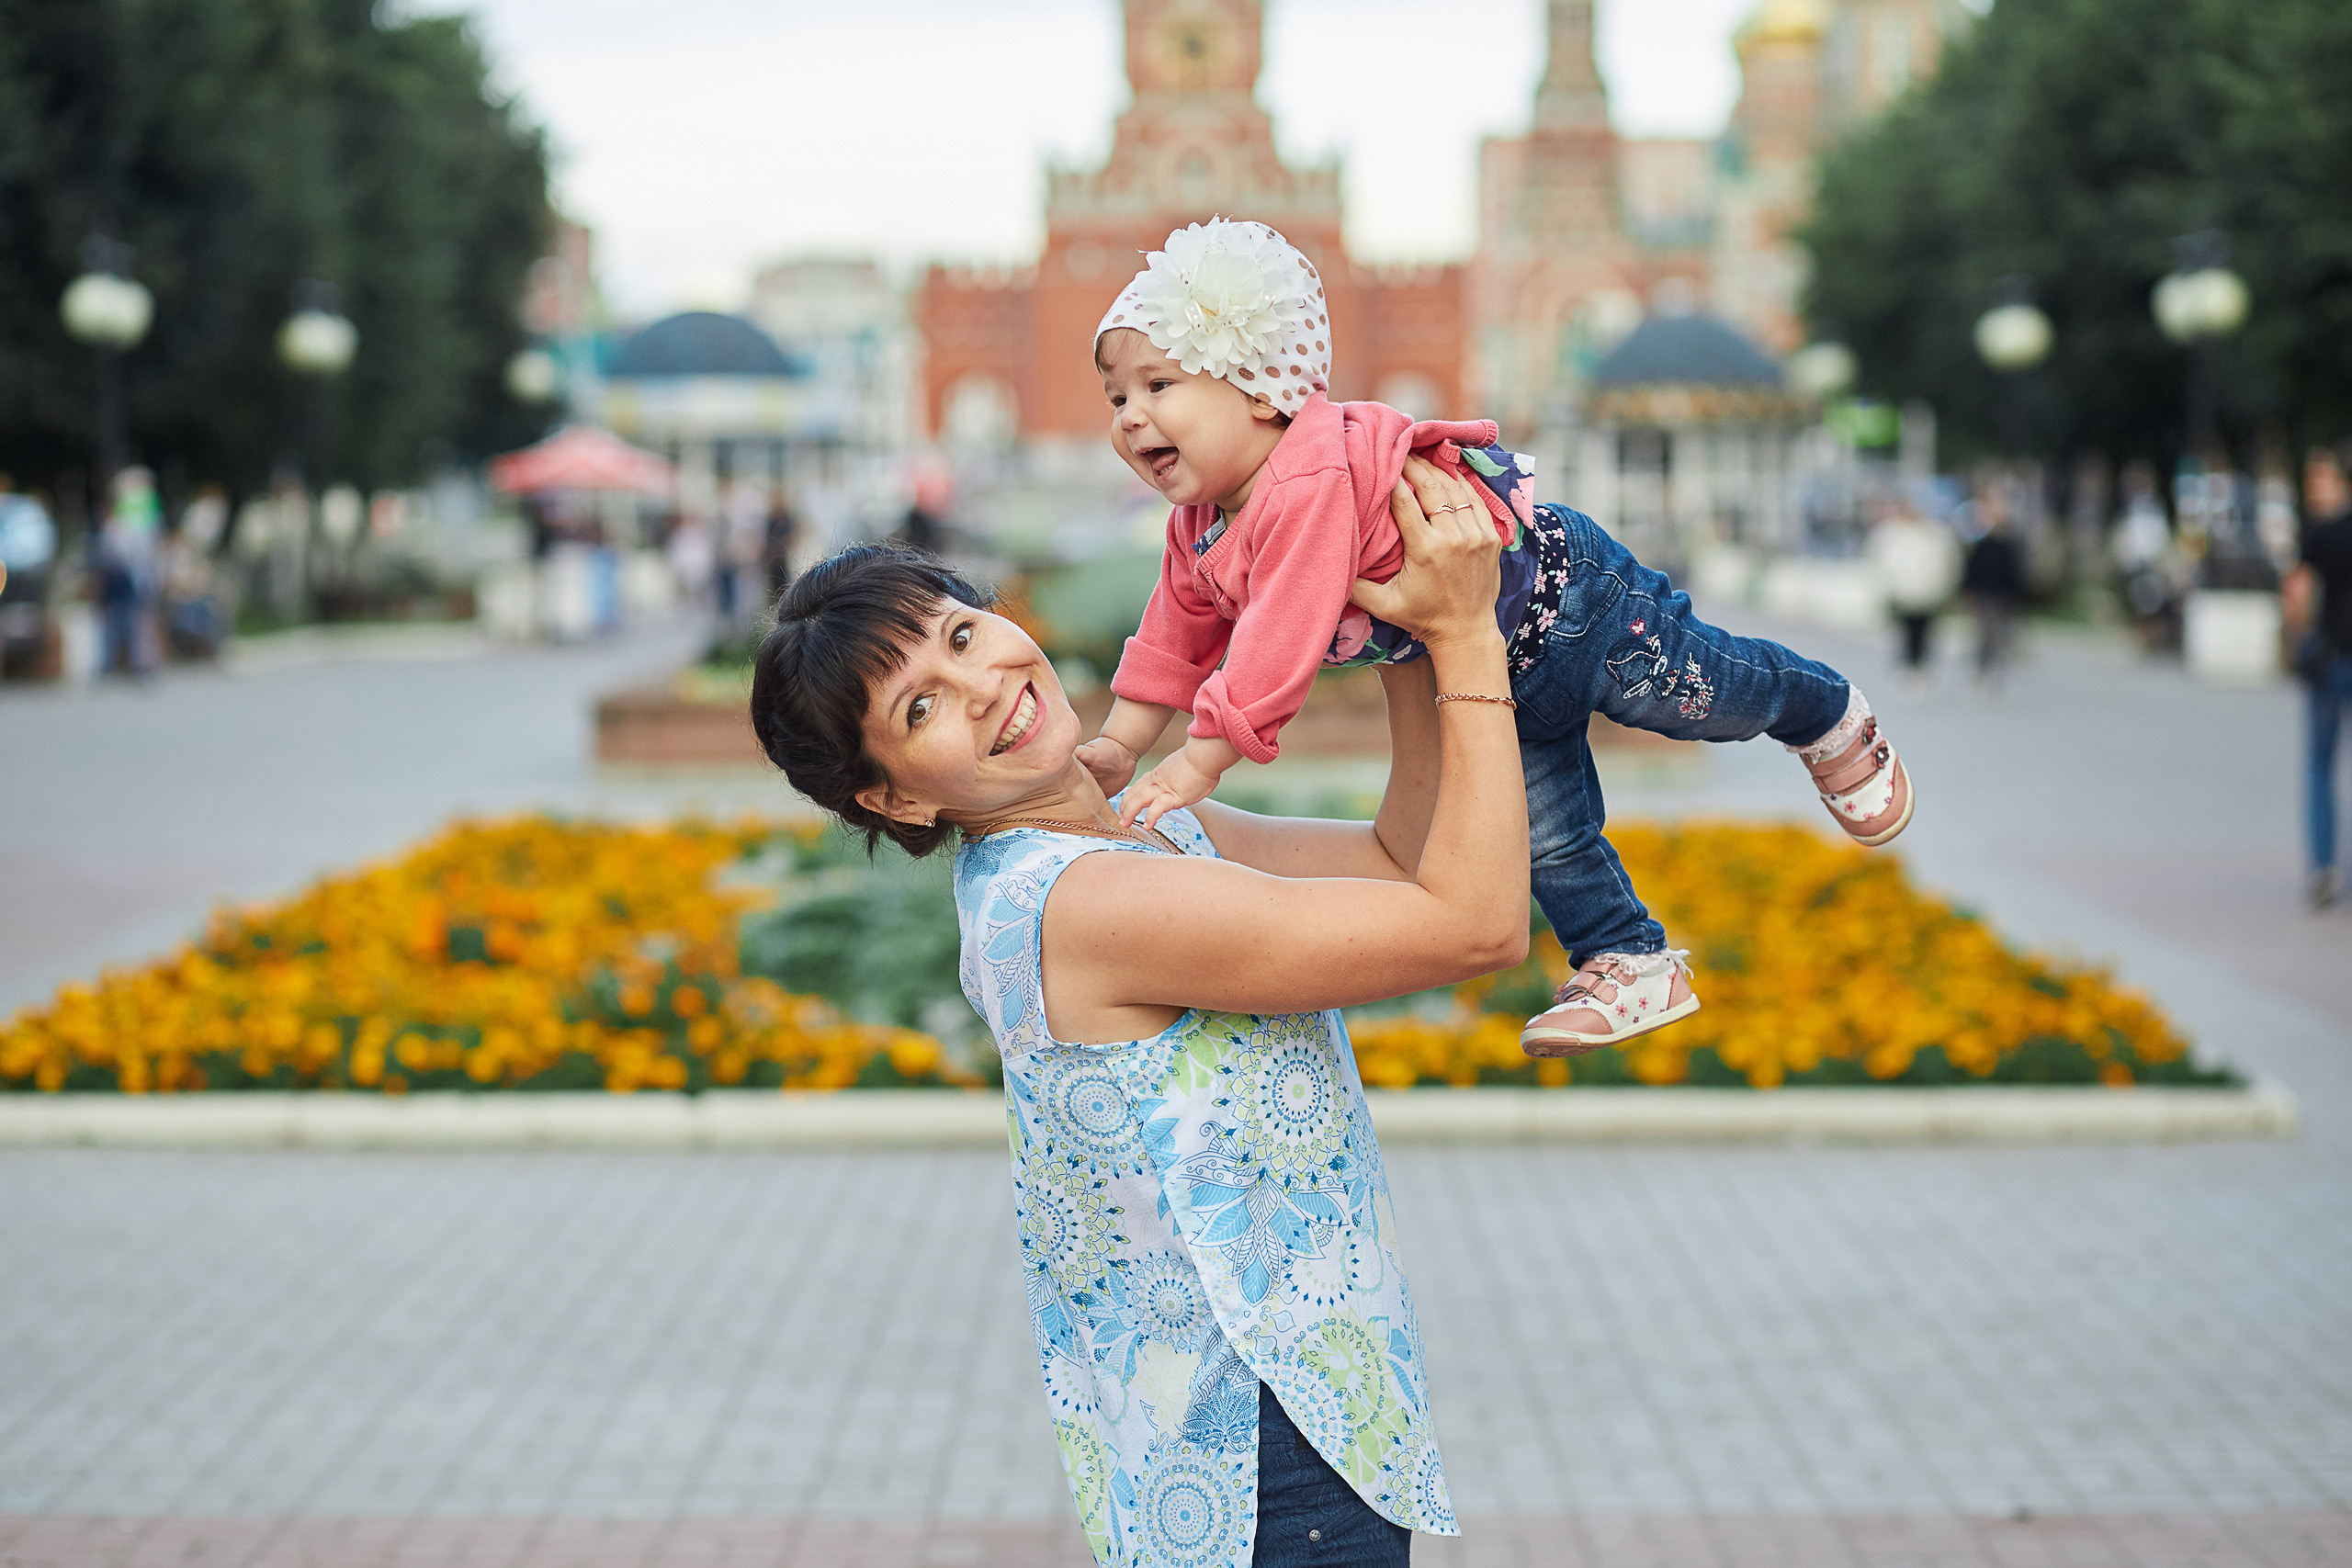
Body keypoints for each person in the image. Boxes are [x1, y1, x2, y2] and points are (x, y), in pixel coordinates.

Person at [749, 459, 1521, 1564]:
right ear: (894, 796)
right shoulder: (1081, 900)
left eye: (963, 635)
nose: (980, 685)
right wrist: (1467, 639)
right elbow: (1476, 924)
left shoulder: (1135, 829)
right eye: (917, 707)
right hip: (1263, 1452)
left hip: (1294, 1424)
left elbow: (1406, 862)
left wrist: (1393, 617)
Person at [1077, 219, 1913, 1056]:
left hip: (1568, 601)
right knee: (1544, 833)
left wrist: (1200, 757)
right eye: (1118, 398)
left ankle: (1826, 713)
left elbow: (1276, 639)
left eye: (1158, 385)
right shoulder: (1201, 524)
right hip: (1484, 668)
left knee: (1706, 693)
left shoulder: (1306, 476)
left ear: (1260, 389)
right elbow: (1172, 636)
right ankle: (1628, 958)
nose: (1132, 417)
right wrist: (1121, 742)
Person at [2290, 444, 2352, 908]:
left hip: (2330, 658)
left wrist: (2297, 640)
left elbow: (2297, 592)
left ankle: (2324, 869)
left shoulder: (2320, 534)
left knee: (2319, 765)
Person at [1866, 498, 1961, 694]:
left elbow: (1947, 562)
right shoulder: (1890, 534)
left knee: (1924, 631)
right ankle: (1907, 668)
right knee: (1905, 631)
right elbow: (1881, 563)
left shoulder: (1934, 534)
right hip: (1902, 591)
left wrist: (1944, 585)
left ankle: (1921, 668)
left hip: (1927, 591)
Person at [1960, 490, 2028, 692]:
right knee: (1984, 636)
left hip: (2004, 597)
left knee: (2003, 637)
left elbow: (2017, 573)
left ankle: (1997, 674)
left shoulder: (2012, 544)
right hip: (1984, 596)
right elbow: (1972, 570)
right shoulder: (1981, 544)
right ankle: (1982, 672)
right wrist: (1969, 592)